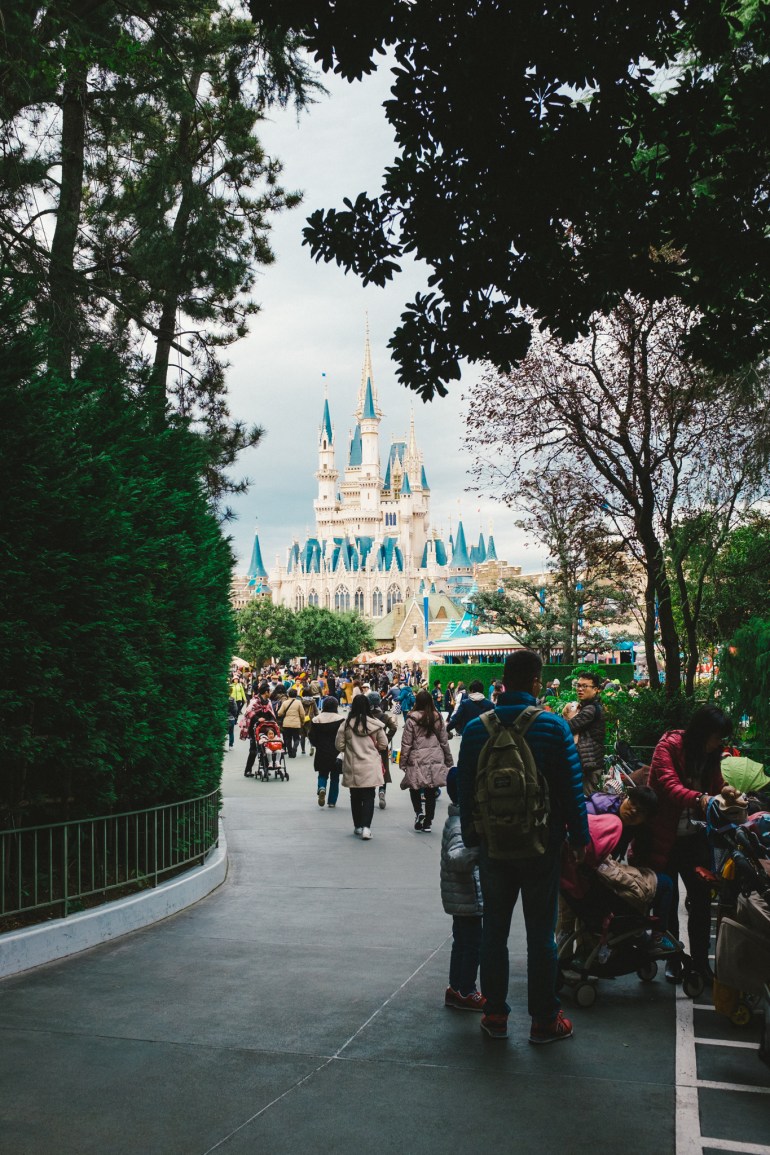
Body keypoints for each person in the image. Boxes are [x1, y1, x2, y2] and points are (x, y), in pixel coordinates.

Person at [457, 649, 589, 1045]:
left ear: (502, 680)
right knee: (540, 935)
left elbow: (465, 787)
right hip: (541, 846)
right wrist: (580, 839)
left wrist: (472, 835)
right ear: (536, 682)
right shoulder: (552, 727)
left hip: (494, 847)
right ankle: (544, 1019)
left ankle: (495, 1014)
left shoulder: (477, 729)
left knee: (494, 931)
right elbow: (571, 788)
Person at [646, 705, 737, 983]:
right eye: (716, 737)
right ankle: (673, 960)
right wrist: (701, 798)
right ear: (702, 732)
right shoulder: (668, 747)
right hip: (663, 836)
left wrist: (726, 791)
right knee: (667, 901)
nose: (718, 743)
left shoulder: (710, 756)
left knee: (700, 900)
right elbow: (670, 786)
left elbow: (716, 784)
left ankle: (699, 963)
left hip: (696, 836)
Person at [441, 767, 486, 1011]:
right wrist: (479, 851)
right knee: (472, 945)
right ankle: (467, 989)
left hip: (462, 898)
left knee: (461, 943)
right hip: (467, 897)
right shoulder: (460, 825)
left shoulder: (456, 820)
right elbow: (457, 858)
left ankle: (455, 987)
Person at [399, 689, 454, 832]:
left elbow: (406, 743)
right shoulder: (437, 718)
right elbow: (444, 741)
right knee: (431, 789)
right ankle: (428, 822)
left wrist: (403, 761)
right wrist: (448, 760)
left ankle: (419, 812)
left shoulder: (411, 719)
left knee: (414, 786)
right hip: (435, 757)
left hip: (417, 758)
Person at [335, 694, 389, 839]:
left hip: (353, 765)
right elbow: (383, 745)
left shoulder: (346, 724)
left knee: (355, 796)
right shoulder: (376, 724)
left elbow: (339, 745)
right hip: (370, 765)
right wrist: (373, 747)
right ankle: (366, 828)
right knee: (369, 796)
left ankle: (358, 826)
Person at [562, 672, 606, 795]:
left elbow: (568, 727)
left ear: (595, 689)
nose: (580, 689)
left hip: (589, 765)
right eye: (578, 685)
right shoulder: (586, 707)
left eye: (585, 686)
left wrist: (565, 717)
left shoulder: (591, 709)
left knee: (585, 801)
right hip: (586, 763)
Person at [310, 697, 345, 807]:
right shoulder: (341, 719)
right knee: (335, 777)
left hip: (321, 751)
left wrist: (317, 745)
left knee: (322, 774)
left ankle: (321, 787)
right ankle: (332, 802)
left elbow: (312, 736)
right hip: (336, 752)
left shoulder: (316, 719)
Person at [367, 691, 398, 809]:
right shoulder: (384, 716)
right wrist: (387, 739)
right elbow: (393, 728)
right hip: (382, 747)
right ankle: (382, 792)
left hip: (369, 747)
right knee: (383, 770)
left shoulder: (366, 716)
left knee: (370, 770)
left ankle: (370, 793)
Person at [277, 688, 305, 758]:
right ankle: (294, 748)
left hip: (286, 723)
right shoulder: (299, 702)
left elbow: (279, 713)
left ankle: (290, 753)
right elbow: (302, 714)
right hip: (296, 723)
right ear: (296, 695)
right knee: (296, 738)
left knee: (288, 738)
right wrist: (302, 721)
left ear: (288, 694)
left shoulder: (285, 702)